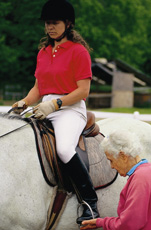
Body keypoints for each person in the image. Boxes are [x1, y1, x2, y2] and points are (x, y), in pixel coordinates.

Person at [11, 0, 99, 224]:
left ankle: (89, 202)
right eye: (47, 23)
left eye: (55, 23)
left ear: (68, 24)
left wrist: (55, 104)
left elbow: (83, 91)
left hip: (70, 109)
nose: (50, 27)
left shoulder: (79, 52)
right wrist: (24, 102)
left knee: (63, 149)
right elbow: (38, 89)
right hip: (43, 108)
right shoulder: (43, 52)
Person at [81, 130, 151, 230]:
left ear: (123, 156)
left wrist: (103, 222)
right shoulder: (149, 171)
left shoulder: (141, 178)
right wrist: (101, 222)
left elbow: (130, 224)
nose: (111, 166)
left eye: (111, 160)